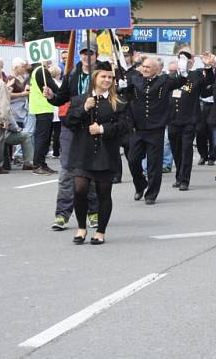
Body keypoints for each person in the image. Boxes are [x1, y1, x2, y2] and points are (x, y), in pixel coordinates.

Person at [66, 65, 132, 245]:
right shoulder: (81, 99)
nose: (107, 80)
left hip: (106, 153)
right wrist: (84, 109)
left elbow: (124, 126)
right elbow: (69, 122)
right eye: (103, 76)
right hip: (83, 152)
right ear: (95, 78)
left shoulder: (118, 102)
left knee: (104, 193)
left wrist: (102, 129)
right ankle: (81, 228)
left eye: (110, 77)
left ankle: (100, 231)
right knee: (80, 189)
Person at [43, 42, 102, 229]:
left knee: (91, 171)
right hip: (72, 126)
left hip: (92, 127)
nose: (86, 57)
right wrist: (51, 95)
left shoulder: (103, 75)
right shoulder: (72, 75)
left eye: (90, 54)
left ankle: (93, 212)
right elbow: (62, 98)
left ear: (96, 56)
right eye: (84, 53)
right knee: (67, 170)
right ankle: (62, 214)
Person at [123, 54, 187, 204]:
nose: (144, 69)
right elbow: (124, 94)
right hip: (138, 128)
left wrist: (183, 69)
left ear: (157, 70)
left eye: (148, 67)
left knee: (153, 163)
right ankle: (140, 185)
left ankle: (151, 194)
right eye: (143, 66)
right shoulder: (135, 79)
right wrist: (121, 86)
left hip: (155, 127)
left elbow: (181, 81)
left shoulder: (164, 81)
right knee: (133, 160)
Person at [168, 49, 216, 191]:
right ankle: (179, 175)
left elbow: (209, 81)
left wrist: (208, 67)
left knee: (186, 150)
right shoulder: (171, 76)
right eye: (180, 59)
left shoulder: (196, 75)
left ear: (192, 62)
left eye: (187, 59)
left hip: (189, 119)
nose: (183, 62)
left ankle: (185, 180)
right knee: (176, 150)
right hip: (172, 119)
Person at [29, 60, 57, 175]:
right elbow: (53, 86)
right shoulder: (42, 71)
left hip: (41, 107)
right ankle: (37, 164)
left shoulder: (36, 70)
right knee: (42, 138)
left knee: (44, 138)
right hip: (43, 107)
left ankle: (42, 163)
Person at [48, 65, 62, 158]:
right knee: (57, 132)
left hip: (49, 109)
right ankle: (56, 151)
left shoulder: (48, 83)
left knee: (49, 132)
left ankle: (48, 150)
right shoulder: (59, 84)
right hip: (57, 110)